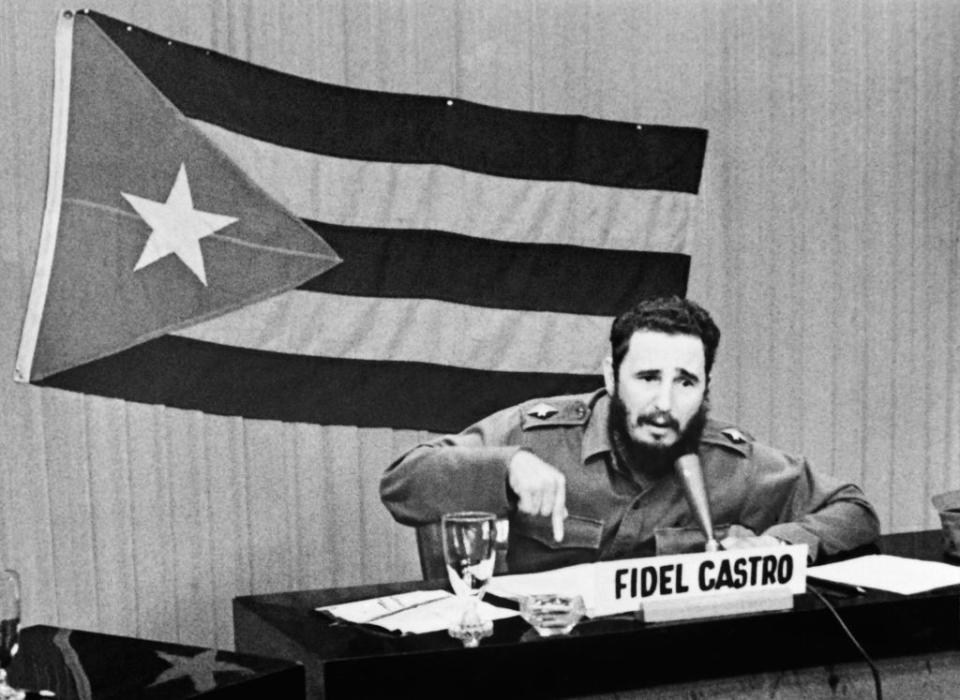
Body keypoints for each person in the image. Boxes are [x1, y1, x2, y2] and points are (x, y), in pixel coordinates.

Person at [380, 296, 880, 574]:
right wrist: (506, 466)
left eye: (685, 382)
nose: (665, 404)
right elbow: (402, 484)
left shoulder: (732, 460)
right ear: (610, 375)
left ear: (707, 386)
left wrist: (784, 544)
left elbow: (854, 510)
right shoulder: (537, 435)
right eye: (646, 379)